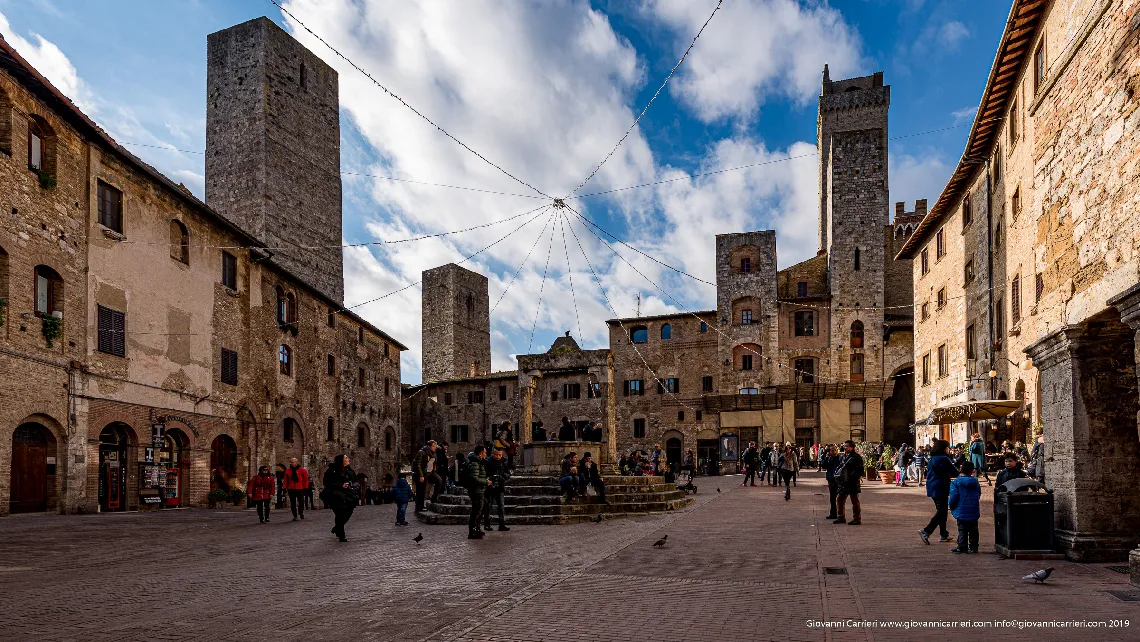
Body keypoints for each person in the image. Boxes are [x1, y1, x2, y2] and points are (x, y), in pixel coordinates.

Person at [920, 439, 958, 545]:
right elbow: (955, 472)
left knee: (942, 511)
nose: (948, 449)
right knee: (941, 512)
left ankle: (943, 534)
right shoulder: (944, 459)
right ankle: (926, 530)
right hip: (940, 487)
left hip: (932, 486)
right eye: (947, 447)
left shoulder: (932, 458)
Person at [322, 455, 358, 542]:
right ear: (341, 460)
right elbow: (327, 483)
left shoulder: (349, 470)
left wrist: (353, 485)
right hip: (335, 495)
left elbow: (356, 481)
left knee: (348, 512)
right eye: (346, 458)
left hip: (348, 495)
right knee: (339, 513)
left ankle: (337, 528)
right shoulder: (332, 470)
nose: (348, 459)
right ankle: (342, 535)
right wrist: (340, 485)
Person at [948, 461, 981, 553]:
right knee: (974, 529)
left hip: (961, 509)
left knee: (962, 529)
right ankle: (974, 547)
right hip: (973, 508)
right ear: (972, 471)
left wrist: (950, 505)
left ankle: (962, 546)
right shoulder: (975, 482)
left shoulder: (956, 482)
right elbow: (978, 494)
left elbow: (954, 496)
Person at [833, 441, 863, 525]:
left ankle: (857, 518)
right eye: (844, 446)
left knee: (854, 500)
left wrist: (852, 477)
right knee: (840, 499)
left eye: (846, 446)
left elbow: (860, 470)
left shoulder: (857, 457)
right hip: (844, 482)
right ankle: (841, 517)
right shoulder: (843, 456)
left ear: (852, 447)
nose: (844, 448)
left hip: (853, 482)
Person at [464, 445, 490, 539]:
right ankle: (472, 531)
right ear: (480, 453)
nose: (486, 454)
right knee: (476, 510)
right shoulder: (475, 463)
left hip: (478, 490)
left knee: (483, 506)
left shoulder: (478, 462)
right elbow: (474, 478)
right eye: (485, 452)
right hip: (476, 490)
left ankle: (477, 528)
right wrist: (485, 482)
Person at [483, 447, 511, 532]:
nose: (498, 457)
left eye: (500, 455)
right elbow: (484, 473)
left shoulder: (503, 462)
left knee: (501, 507)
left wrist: (504, 477)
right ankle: (487, 524)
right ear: (493, 454)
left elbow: (508, 473)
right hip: (490, 487)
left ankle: (501, 524)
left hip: (500, 487)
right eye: (497, 455)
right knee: (488, 506)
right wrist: (489, 479)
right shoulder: (487, 462)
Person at [412, 441, 440, 513]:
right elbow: (418, 464)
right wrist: (421, 475)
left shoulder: (432, 453)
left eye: (435, 446)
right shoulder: (422, 452)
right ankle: (419, 507)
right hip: (421, 473)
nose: (435, 447)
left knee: (439, 480)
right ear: (429, 446)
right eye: (433, 446)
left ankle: (433, 498)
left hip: (430, 471)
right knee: (420, 490)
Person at [820, 445, 841, 520]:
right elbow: (823, 465)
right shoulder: (828, 459)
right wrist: (825, 456)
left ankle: (840, 514)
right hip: (831, 480)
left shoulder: (839, 458)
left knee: (839, 498)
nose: (833, 452)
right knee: (832, 498)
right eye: (831, 451)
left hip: (838, 480)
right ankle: (833, 513)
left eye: (834, 450)